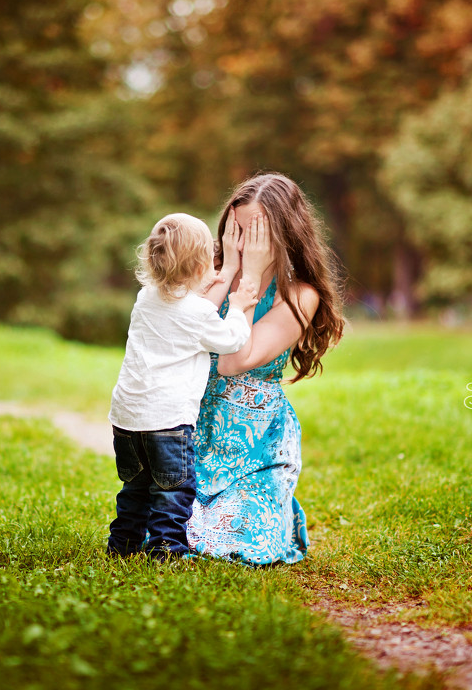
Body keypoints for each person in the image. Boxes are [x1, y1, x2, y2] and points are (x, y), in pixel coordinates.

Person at [188, 173, 346, 565]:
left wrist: (253, 278)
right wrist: (227, 275)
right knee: (165, 529)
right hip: (194, 434)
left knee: (234, 538)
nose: (243, 243)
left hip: (259, 446)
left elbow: (233, 361)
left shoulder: (300, 295)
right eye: (236, 230)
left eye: (256, 231)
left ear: (285, 232)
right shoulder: (211, 274)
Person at [107, 213, 260, 560]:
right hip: (168, 422)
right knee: (173, 491)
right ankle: (166, 551)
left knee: (135, 489)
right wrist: (237, 306)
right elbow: (233, 341)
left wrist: (213, 281)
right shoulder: (197, 314)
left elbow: (182, 308)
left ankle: (122, 547)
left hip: (127, 418)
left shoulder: (145, 298)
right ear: (198, 267)